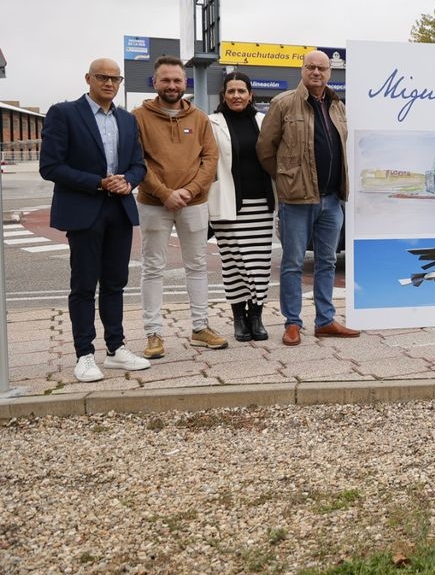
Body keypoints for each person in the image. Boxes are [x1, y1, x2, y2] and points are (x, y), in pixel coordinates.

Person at [40, 59, 152, 382]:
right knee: (84, 284)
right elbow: (50, 166)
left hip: (119, 209)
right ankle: (84, 354)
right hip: (83, 208)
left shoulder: (128, 120)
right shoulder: (64, 114)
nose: (109, 83)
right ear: (88, 78)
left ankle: (116, 349)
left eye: (114, 78)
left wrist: (128, 181)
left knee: (115, 282)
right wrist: (99, 182)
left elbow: (138, 165)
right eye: (102, 77)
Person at [257, 49, 360, 345]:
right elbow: (266, 149)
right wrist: (287, 178)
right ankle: (292, 323)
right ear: (302, 70)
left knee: (327, 262)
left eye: (322, 68)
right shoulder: (283, 103)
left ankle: (325, 320)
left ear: (330, 73)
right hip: (297, 200)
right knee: (292, 262)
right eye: (311, 67)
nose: (317, 72)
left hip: (332, 200)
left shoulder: (338, 106)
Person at [133, 55, 227, 358]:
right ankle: (153, 334)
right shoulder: (137, 117)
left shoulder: (199, 118)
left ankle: (200, 327)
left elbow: (210, 159)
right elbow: (137, 161)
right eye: (166, 80)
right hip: (153, 204)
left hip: (194, 203)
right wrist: (164, 193)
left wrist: (189, 190)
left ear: (184, 82)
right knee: (153, 268)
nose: (172, 85)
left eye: (177, 80)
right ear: (155, 82)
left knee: (197, 266)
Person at [209, 72, 275, 342]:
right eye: (231, 91)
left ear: (250, 95)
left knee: (259, 264)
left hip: (261, 203)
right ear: (223, 94)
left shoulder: (264, 121)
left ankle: (256, 316)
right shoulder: (211, 123)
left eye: (242, 91)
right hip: (227, 204)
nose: (236, 96)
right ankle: (239, 318)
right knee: (235, 263)